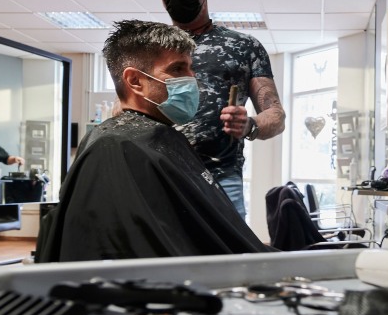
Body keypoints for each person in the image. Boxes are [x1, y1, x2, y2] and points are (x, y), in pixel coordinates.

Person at [35, 20, 270, 262]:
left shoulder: (161, 137)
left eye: (191, 69)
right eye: (178, 69)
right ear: (135, 81)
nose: (192, 79)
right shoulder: (116, 147)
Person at [156, 0, 286, 219]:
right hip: (161, 175)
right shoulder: (152, 49)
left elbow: (275, 115)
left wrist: (249, 125)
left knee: (228, 259)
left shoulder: (244, 46)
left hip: (222, 178)